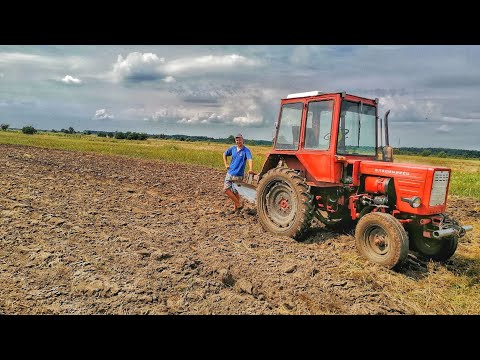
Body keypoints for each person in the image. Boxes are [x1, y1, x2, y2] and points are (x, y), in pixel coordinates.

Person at [223, 133, 254, 213]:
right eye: (237, 140)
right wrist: (226, 164)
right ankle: (239, 204)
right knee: (226, 189)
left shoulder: (246, 150)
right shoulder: (232, 148)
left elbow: (249, 159)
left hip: (238, 175)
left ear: (242, 140)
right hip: (230, 172)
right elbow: (224, 154)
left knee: (235, 192)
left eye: (239, 139)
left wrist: (250, 169)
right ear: (235, 141)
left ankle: (236, 209)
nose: (238, 141)